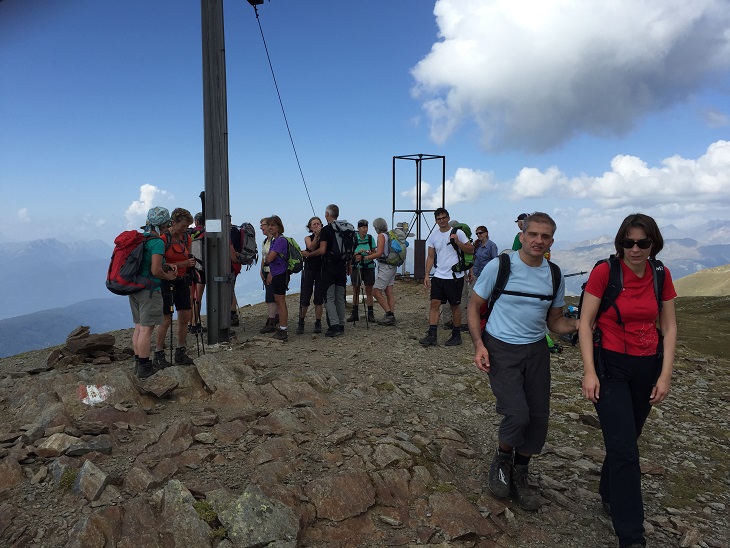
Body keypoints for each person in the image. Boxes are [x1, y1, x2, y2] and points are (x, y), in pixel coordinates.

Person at [467, 211, 578, 511]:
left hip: (537, 350)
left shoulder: (554, 275)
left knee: (539, 416)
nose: (538, 240)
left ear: (551, 240)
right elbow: (474, 305)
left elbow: (555, 322)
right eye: (533, 234)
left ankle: (521, 470)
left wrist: (581, 324)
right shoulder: (500, 266)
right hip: (501, 347)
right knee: (517, 413)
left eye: (545, 236)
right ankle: (502, 460)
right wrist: (479, 345)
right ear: (522, 235)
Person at [579, 213, 676, 548]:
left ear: (653, 244)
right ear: (620, 242)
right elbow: (585, 322)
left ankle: (608, 491)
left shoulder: (660, 274)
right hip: (611, 367)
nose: (635, 249)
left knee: (627, 439)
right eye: (628, 242)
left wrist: (665, 375)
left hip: (647, 367)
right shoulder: (606, 272)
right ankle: (631, 536)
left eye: (642, 243)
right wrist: (589, 371)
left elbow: (670, 326)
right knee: (625, 449)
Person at [130, 207, 178, 379]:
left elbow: (147, 264)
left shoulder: (141, 239)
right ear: (164, 224)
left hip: (135, 288)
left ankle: (138, 364)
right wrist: (169, 276)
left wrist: (165, 266)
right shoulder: (157, 242)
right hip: (150, 290)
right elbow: (156, 270)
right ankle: (145, 367)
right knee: (146, 330)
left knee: (138, 327)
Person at [420, 208, 474, 347]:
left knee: (455, 305)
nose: (442, 220)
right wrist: (426, 274)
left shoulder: (458, 233)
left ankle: (456, 335)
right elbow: (431, 256)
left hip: (455, 276)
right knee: (434, 304)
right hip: (439, 275)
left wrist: (458, 243)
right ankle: (432, 335)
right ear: (436, 220)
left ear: (448, 217)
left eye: (444, 217)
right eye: (439, 218)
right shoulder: (433, 236)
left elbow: (471, 250)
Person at [154, 207, 197, 368]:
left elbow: (189, 257)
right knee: (166, 318)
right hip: (166, 281)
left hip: (183, 280)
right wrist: (182, 264)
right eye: (183, 226)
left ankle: (180, 350)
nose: (185, 229)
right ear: (174, 222)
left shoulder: (186, 238)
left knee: (185, 315)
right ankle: (159, 353)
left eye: (187, 226)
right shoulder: (163, 239)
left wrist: (191, 269)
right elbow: (160, 265)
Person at [307, 204, 349, 337]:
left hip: (329, 267)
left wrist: (308, 255)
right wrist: (349, 264)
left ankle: (334, 326)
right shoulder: (345, 227)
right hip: (342, 265)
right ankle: (341, 325)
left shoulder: (326, 230)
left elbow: (322, 250)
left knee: (329, 297)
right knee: (340, 297)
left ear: (327, 214)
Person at [362, 217, 397, 326]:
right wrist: (369, 252)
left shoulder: (381, 236)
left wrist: (367, 258)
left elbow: (379, 252)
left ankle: (389, 314)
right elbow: (382, 250)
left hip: (385, 267)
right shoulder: (388, 235)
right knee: (389, 291)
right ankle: (391, 314)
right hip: (392, 266)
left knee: (376, 292)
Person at [441, 219, 473, 332]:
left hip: (444, 273)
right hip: (459, 273)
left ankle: (447, 321)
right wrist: (470, 272)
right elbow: (469, 257)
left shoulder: (443, 239)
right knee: (462, 297)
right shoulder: (462, 241)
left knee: (445, 298)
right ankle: (463, 322)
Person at [263, 215, 289, 342]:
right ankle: (282, 328)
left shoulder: (280, 241)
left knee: (280, 302)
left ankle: (283, 330)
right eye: (269, 225)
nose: (270, 227)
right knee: (279, 302)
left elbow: (269, 258)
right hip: (277, 273)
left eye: (273, 225)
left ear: (279, 227)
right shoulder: (275, 240)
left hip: (280, 274)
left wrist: (268, 258)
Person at [297, 216, 325, 334]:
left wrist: (308, 254)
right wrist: (317, 236)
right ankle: (301, 321)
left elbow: (309, 251)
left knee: (319, 298)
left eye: (318, 224)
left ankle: (318, 322)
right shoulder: (308, 238)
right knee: (305, 297)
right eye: (314, 224)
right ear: (310, 227)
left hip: (320, 270)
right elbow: (311, 246)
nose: (316, 226)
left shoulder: (325, 239)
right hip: (309, 269)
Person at [347, 219, 376, 323]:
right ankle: (355, 314)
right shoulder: (354, 239)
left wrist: (368, 254)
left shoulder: (370, 238)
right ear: (358, 228)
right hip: (357, 266)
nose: (365, 229)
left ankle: (370, 314)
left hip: (368, 266)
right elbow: (349, 254)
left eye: (366, 227)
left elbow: (374, 252)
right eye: (363, 227)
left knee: (369, 290)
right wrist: (356, 255)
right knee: (356, 290)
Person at [258, 217, 279, 333]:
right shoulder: (265, 241)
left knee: (271, 297)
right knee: (272, 296)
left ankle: (272, 321)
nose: (261, 227)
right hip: (267, 271)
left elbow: (274, 258)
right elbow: (264, 257)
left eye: (263, 225)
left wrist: (271, 272)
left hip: (273, 271)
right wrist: (262, 270)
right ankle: (275, 319)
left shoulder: (275, 241)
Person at [188, 213, 206, 334]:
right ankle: (196, 323)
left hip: (189, 268)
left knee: (191, 296)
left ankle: (190, 323)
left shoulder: (188, 234)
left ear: (195, 221)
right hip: (201, 268)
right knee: (198, 297)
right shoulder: (206, 233)